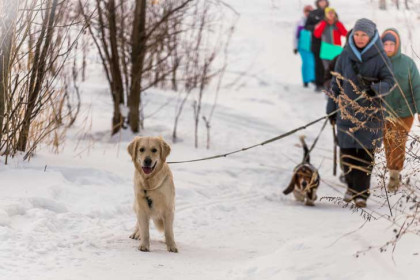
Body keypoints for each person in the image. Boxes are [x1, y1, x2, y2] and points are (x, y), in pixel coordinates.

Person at [327, 18, 395, 207]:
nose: (359, 38)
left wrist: (375, 89)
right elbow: (336, 84)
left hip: (371, 116)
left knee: (366, 155)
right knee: (347, 154)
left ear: (371, 36)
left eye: (364, 34)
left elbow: (390, 82)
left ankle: (361, 194)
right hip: (346, 114)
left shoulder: (381, 58)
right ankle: (351, 187)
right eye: (357, 34)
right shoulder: (344, 56)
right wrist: (331, 110)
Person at [381, 28, 420, 192]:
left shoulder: (407, 63)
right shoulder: (377, 63)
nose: (389, 47)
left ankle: (394, 174)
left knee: (398, 142)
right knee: (388, 143)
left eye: (392, 44)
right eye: (386, 44)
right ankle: (392, 168)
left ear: (397, 45)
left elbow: (417, 87)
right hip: (383, 112)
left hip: (404, 112)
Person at [305, 0, 329, 92]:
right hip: (317, 42)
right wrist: (315, 27)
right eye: (320, 1)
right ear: (317, 3)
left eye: (324, 1)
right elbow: (307, 26)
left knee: (329, 64)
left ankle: (329, 84)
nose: (322, 3)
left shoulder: (331, 12)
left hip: (329, 42)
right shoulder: (313, 13)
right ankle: (319, 84)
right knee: (318, 63)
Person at [314, 7, 347, 72]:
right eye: (329, 13)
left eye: (332, 13)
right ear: (326, 15)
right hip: (326, 50)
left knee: (338, 70)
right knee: (328, 71)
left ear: (334, 14)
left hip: (336, 50)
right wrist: (323, 23)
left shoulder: (338, 24)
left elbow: (345, 33)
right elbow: (317, 34)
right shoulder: (322, 23)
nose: (330, 14)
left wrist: (338, 24)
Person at [293, 5, 315, 88]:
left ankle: (312, 78)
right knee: (306, 63)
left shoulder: (314, 22)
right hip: (303, 46)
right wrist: (295, 46)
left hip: (312, 46)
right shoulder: (300, 22)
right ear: (304, 12)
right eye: (307, 11)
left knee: (312, 63)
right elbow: (295, 35)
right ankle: (306, 80)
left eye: (310, 11)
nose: (308, 13)